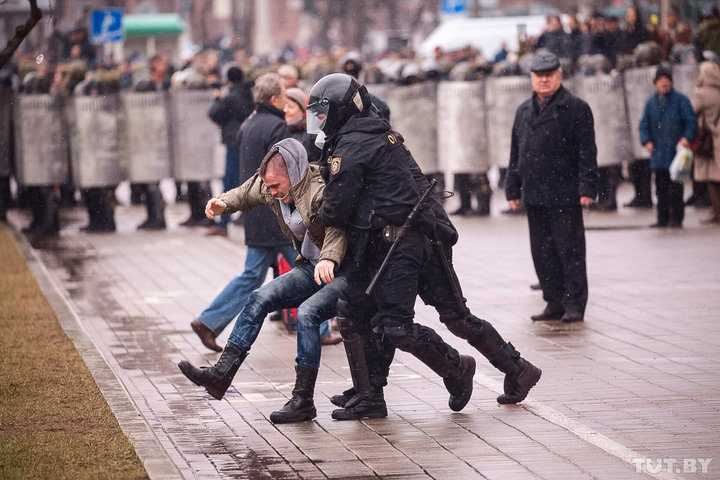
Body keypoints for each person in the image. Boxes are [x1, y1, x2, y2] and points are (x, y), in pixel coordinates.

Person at [327, 131, 542, 420]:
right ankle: (370, 392)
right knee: (375, 318)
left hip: (422, 241)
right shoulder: (364, 141)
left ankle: (510, 369)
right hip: (396, 244)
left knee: (450, 318)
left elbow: (340, 206)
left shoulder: (369, 142)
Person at [306, 73, 477, 419]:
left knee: (395, 327)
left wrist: (317, 209)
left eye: (323, 113)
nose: (320, 121)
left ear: (341, 110)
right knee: (354, 317)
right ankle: (369, 395)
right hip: (371, 243)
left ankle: (457, 367)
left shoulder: (356, 144)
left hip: (396, 245)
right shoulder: (350, 139)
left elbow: (337, 206)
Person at [179, 138, 347, 423]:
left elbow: (337, 227)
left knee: (307, 314)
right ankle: (220, 376)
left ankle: (303, 400)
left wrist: (329, 258)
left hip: (339, 270)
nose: (271, 192)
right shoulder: (272, 185)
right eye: (268, 186)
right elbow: (248, 190)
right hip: (310, 268)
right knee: (259, 297)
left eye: (276, 186)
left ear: (294, 175)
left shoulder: (319, 190)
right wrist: (224, 204)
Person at [189, 72, 296, 352]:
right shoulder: (276, 126)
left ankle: (208, 322)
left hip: (257, 212)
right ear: (274, 98)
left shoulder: (250, 124)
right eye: (284, 96)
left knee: (253, 275)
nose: (286, 102)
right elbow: (280, 173)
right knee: (305, 267)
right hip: (276, 213)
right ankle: (319, 326)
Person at [505, 52, 598, 324]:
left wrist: (587, 186)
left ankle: (574, 303)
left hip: (565, 192)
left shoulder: (577, 108)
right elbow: (516, 154)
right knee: (542, 253)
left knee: (569, 251)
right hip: (534, 194)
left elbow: (587, 152)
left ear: (559, 76)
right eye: (539, 76)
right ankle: (553, 301)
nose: (544, 80)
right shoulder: (523, 111)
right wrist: (512, 188)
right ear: (532, 79)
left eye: (549, 75)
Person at [639, 67, 697, 229]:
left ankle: (677, 218)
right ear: (656, 84)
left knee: (676, 188)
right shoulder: (650, 103)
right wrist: (646, 141)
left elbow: (691, 122)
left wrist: (686, 137)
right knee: (660, 188)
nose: (664, 84)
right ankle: (662, 219)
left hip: (676, 153)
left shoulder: (681, 100)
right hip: (658, 153)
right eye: (660, 81)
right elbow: (643, 125)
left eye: (666, 81)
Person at [206, 65, 254, 236]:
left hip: (233, 142)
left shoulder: (231, 96)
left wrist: (218, 99)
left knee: (229, 181)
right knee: (248, 179)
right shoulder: (249, 93)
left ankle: (223, 224)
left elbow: (214, 113)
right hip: (246, 141)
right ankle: (248, 218)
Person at [691, 60, 720, 224]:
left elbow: (691, 110)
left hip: (710, 141)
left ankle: (716, 213)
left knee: (712, 180)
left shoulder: (701, 93)